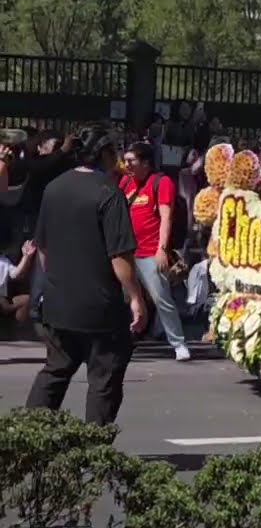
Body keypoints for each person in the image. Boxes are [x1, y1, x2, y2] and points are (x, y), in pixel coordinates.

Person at [26, 127, 148, 426]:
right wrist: (135, 297)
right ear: (106, 154)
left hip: (57, 302)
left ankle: (30, 436)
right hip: (100, 306)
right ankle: (94, 448)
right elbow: (119, 256)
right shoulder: (108, 192)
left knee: (55, 370)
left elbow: (42, 249)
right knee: (104, 377)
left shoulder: (54, 187)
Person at [119, 142, 190, 361]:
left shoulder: (161, 182)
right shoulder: (125, 182)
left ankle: (178, 343)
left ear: (146, 163)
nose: (127, 164)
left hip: (150, 251)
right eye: (126, 160)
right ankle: (129, 336)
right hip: (127, 253)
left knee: (161, 298)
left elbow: (166, 217)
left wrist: (162, 249)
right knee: (126, 299)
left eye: (132, 161)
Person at [0, 239, 37, 322]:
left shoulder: (4, 261)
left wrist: (26, 256)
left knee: (27, 299)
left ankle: (18, 330)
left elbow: (16, 274)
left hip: (4, 302)